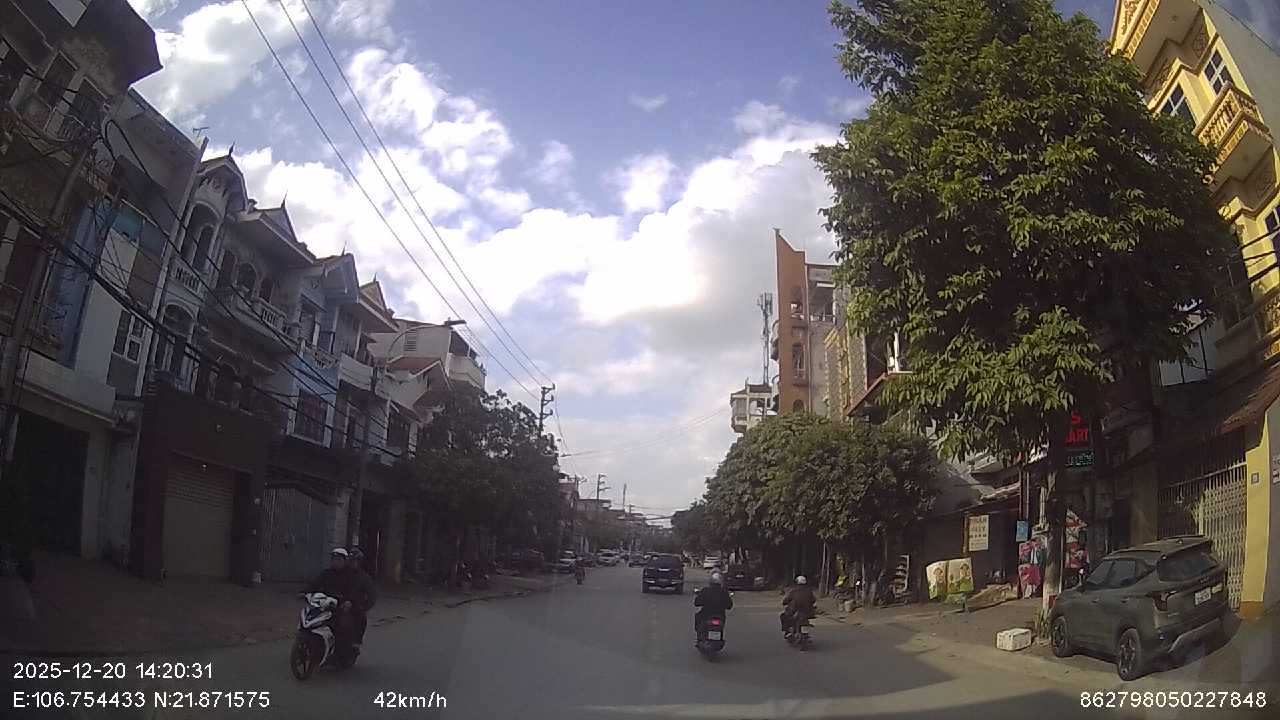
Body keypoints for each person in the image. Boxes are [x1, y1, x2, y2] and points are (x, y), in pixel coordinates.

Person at [305, 548, 376, 655]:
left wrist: (355, 604)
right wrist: (305, 592)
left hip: (348, 606)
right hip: (327, 603)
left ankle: (349, 647)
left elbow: (358, 592)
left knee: (349, 622)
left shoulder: (359, 577)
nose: (353, 563)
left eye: (355, 561)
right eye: (334, 559)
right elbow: (315, 583)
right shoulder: (328, 573)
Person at [693, 572, 733, 644]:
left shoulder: (706, 590)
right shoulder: (724, 592)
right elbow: (729, 606)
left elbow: (696, 603)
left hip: (706, 615)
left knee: (698, 617)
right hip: (720, 615)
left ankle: (699, 637)